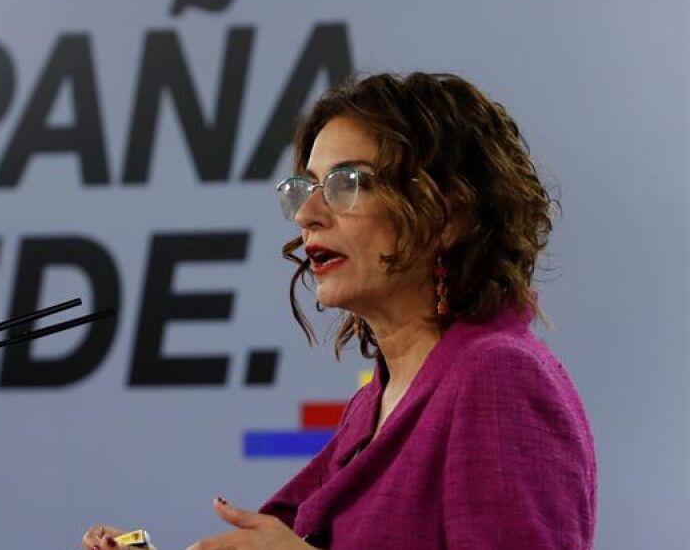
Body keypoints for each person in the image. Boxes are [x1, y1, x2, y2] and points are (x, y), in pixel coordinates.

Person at [81, 72, 596, 550]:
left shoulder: (499, 376)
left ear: (449, 216)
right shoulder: (374, 403)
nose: (307, 215)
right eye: (306, 189)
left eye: (349, 183)